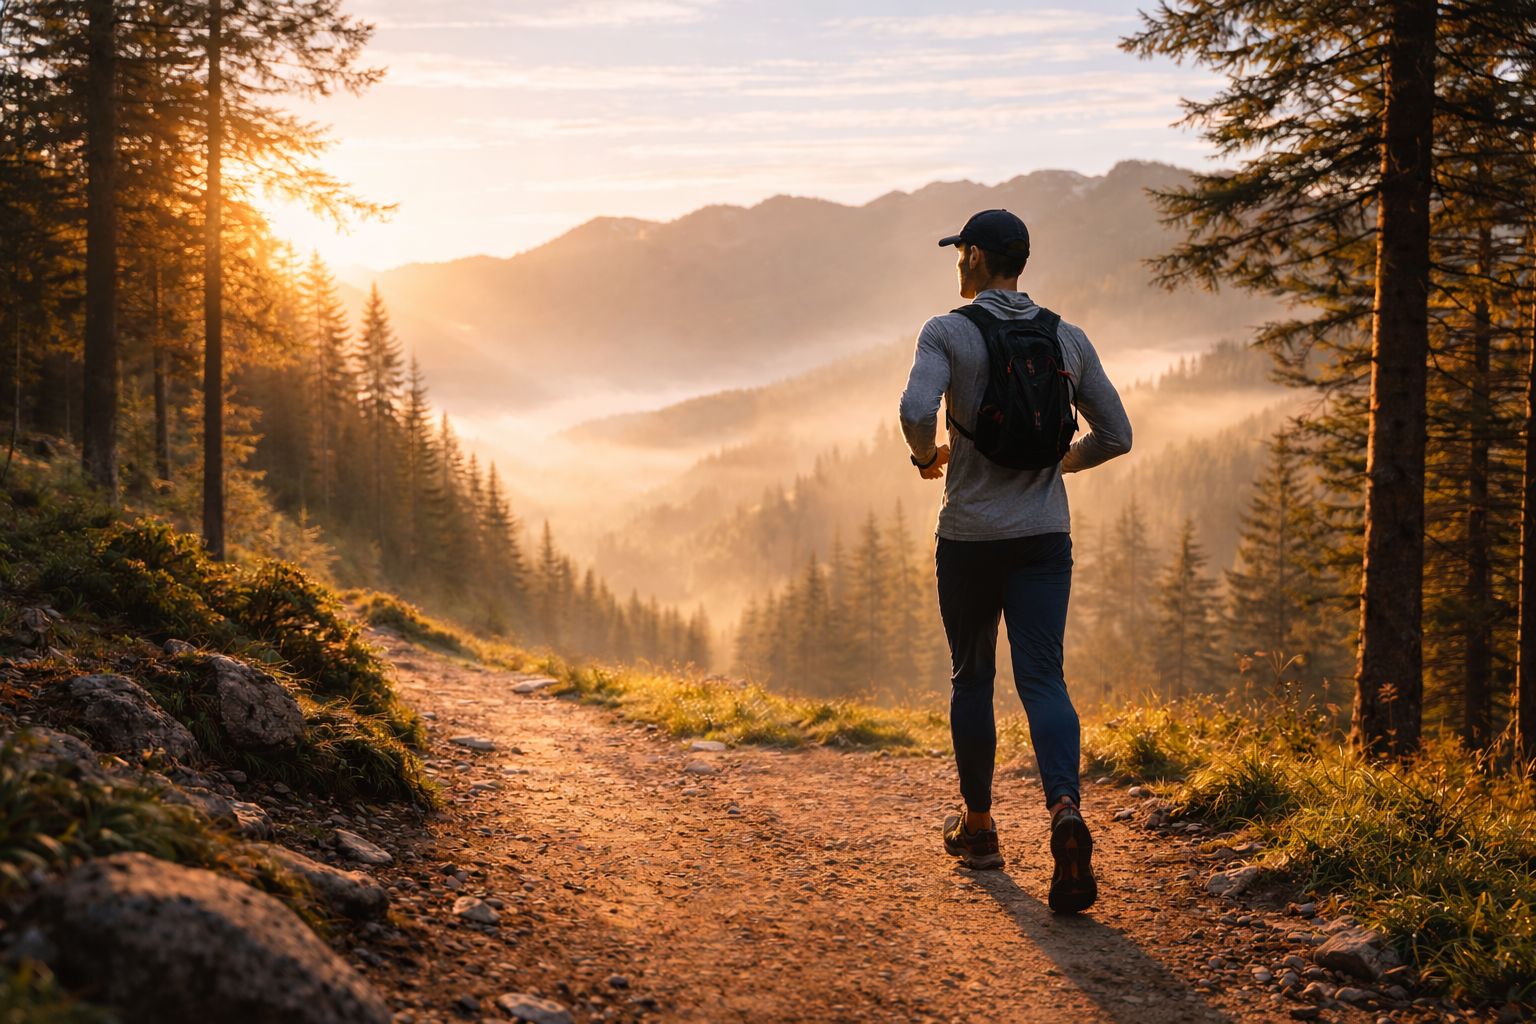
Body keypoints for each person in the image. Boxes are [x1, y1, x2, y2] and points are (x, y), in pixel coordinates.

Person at [898, 208, 1132, 913]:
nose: (957, 264)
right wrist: (1056, 466)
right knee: (1044, 681)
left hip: (969, 539)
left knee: (972, 678)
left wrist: (924, 457)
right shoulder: (1067, 336)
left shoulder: (947, 331)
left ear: (973, 257)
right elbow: (1116, 435)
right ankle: (1064, 810)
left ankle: (979, 831)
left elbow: (914, 407)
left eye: (959, 253)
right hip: (1043, 540)